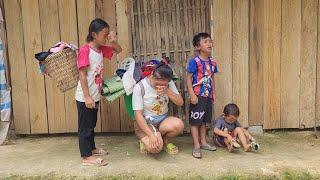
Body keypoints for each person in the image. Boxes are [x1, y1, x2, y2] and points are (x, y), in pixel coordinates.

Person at [75, 18, 122, 166]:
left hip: (94, 96)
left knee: (91, 124)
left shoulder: (101, 49)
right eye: (105, 34)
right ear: (94, 34)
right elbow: (82, 74)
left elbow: (118, 50)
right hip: (85, 97)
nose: (107, 37)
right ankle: (86, 157)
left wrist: (113, 40)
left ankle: (92, 148)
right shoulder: (85, 50)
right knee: (85, 127)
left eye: (108, 34)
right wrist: (87, 96)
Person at [132, 61, 184, 155]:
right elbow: (138, 115)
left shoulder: (169, 83)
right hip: (146, 123)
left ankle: (164, 140)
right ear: (152, 74)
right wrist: (151, 135)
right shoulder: (139, 87)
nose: (160, 85)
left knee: (179, 125)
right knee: (155, 149)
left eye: (164, 83)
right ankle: (148, 138)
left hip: (162, 121)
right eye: (158, 82)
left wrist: (167, 91)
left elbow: (180, 102)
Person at [186, 32, 218, 159]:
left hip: (208, 96)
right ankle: (196, 145)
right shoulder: (195, 61)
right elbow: (188, 78)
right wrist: (192, 95)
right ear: (197, 47)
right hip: (197, 96)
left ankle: (204, 142)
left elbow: (212, 77)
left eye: (210, 41)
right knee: (195, 121)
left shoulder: (213, 62)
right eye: (205, 41)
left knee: (204, 121)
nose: (209, 43)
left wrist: (214, 92)